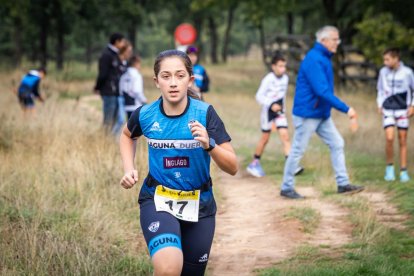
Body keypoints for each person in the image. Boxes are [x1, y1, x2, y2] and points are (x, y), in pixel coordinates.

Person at [119, 49, 238, 275]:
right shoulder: (145, 114)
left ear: (190, 80)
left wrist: (209, 144)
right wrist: (129, 168)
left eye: (180, 75)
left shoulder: (205, 114)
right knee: (168, 270)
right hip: (158, 199)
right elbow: (127, 136)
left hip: (199, 203)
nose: (173, 83)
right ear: (156, 81)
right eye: (166, 76)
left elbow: (232, 167)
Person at [280, 26, 364, 199]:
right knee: (297, 150)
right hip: (307, 114)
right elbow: (322, 91)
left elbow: (324, 92)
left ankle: (343, 184)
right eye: (335, 39)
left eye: (338, 39)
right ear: (324, 41)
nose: (337, 43)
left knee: (337, 143)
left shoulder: (324, 57)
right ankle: (286, 188)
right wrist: (347, 109)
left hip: (321, 114)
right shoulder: (314, 59)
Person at [246, 53, 304, 178]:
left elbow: (281, 97)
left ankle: (291, 166)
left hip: (279, 112)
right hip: (268, 112)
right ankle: (254, 163)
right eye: (280, 66)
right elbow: (259, 96)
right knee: (265, 139)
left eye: (284, 66)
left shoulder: (285, 78)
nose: (283, 69)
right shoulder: (268, 79)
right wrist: (271, 104)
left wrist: (282, 109)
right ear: (273, 67)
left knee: (285, 136)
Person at [377, 47, 414, 182]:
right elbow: (380, 89)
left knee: (402, 139)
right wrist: (380, 104)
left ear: (396, 59)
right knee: (389, 138)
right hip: (388, 110)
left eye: (387, 59)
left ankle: (403, 170)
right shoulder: (383, 72)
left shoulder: (407, 73)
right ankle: (389, 168)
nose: (385, 62)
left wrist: (412, 106)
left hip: (402, 110)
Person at [94, 33, 126, 133]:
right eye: (122, 41)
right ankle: (103, 141)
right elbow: (102, 74)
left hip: (115, 92)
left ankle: (110, 142)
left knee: (115, 120)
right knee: (108, 120)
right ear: (116, 42)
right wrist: (98, 87)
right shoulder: (106, 55)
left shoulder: (115, 54)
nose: (123, 44)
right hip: (109, 92)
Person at [113, 41, 134, 135]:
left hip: (124, 96)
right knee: (120, 119)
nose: (130, 53)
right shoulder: (116, 62)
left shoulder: (126, 63)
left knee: (122, 119)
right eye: (128, 51)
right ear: (124, 51)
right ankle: (112, 136)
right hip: (117, 94)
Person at [119, 55, 147, 119]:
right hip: (136, 105)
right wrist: (144, 100)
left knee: (129, 125)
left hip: (126, 105)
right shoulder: (137, 75)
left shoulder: (124, 75)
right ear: (136, 63)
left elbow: (121, 90)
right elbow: (137, 91)